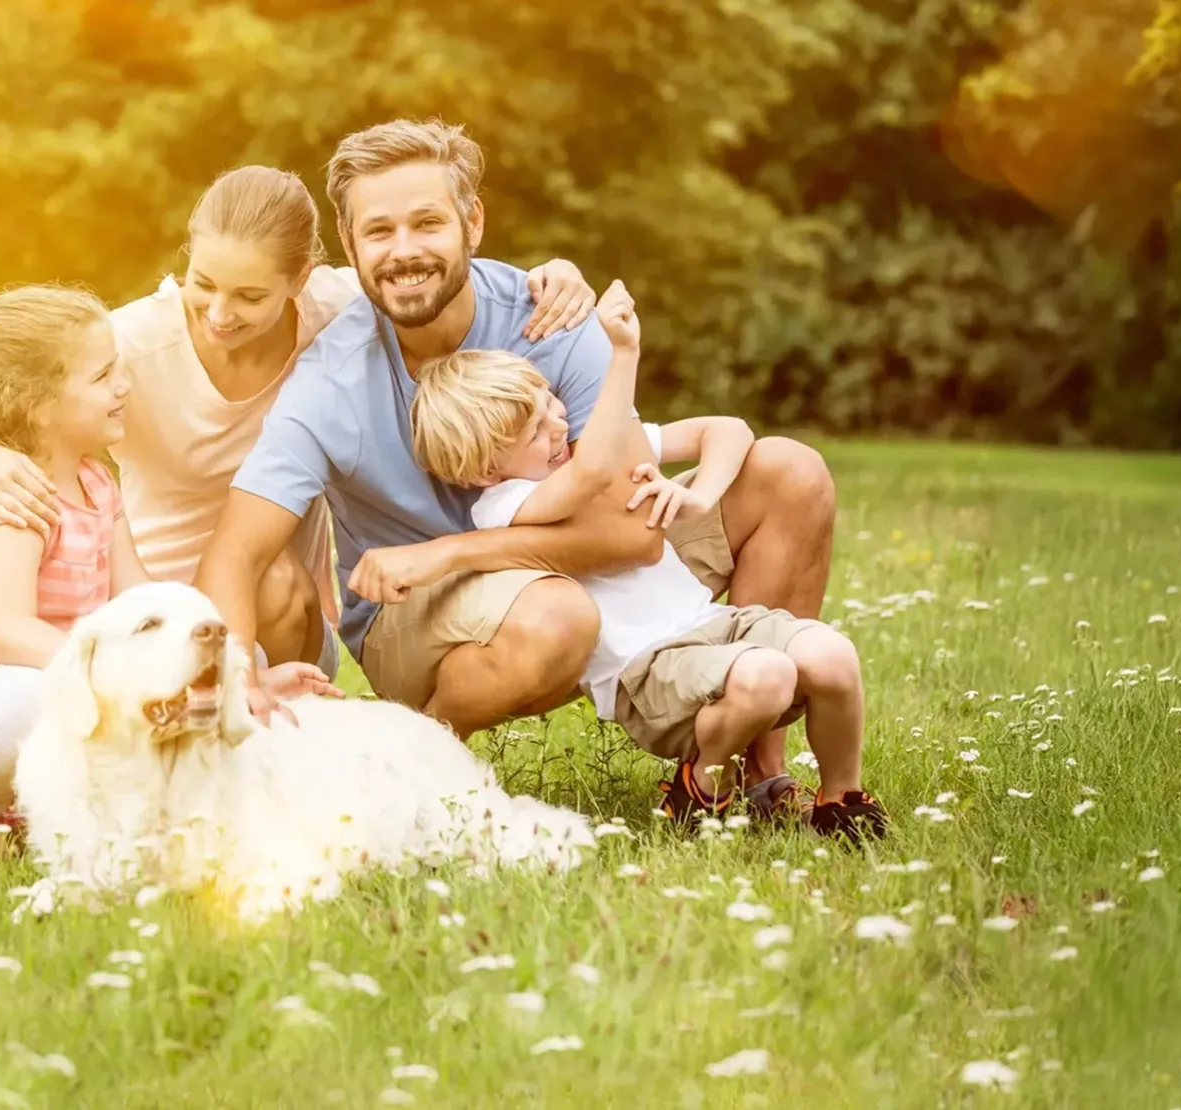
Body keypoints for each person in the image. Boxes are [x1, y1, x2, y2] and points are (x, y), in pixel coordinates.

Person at [193, 119, 837, 816]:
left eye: (427, 223)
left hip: (567, 567)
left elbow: (634, 537)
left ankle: (755, 772)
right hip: (423, 614)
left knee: (789, 474)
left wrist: (452, 551)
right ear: (349, 246)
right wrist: (237, 680)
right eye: (378, 232)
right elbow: (234, 555)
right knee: (556, 615)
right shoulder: (331, 380)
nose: (404, 251)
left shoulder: (552, 320)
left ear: (472, 222)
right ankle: (419, 765)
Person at [0, 166, 597, 710]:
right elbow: (17, 387)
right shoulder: (129, 346)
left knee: (274, 578)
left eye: (250, 296)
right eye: (203, 284)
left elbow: (432, 274)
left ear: (300, 279)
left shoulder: (337, 311)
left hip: (280, 614)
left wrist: (553, 275)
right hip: (146, 600)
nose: (219, 313)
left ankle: (272, 738)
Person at [407, 280, 888, 839]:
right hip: (647, 669)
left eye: (552, 403)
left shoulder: (579, 448)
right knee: (768, 675)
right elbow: (587, 476)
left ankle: (841, 803)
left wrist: (698, 495)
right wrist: (621, 354)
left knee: (834, 657)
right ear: (484, 470)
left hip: (714, 624)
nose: (560, 425)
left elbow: (728, 430)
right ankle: (699, 790)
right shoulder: (504, 505)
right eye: (536, 431)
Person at [0, 283, 334, 858]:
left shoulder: (96, 482)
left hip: (58, 670)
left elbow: (142, 598)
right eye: (103, 377)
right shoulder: (14, 499)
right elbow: (7, 632)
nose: (124, 385)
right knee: (30, 704)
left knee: (222, 652)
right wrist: (113, 674)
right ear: (38, 404)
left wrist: (236, 675)